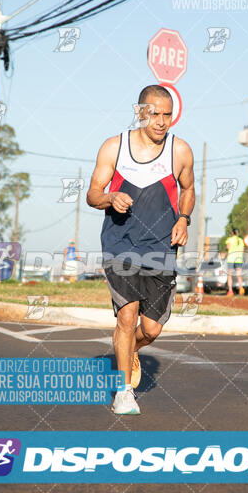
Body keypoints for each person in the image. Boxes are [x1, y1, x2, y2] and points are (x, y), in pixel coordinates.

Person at [87, 85, 195, 415]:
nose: (161, 122)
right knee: (127, 315)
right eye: (155, 114)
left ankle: (128, 349)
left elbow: (188, 190)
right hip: (120, 245)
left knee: (151, 328)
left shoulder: (180, 151)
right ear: (140, 112)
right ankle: (123, 392)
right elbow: (93, 193)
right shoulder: (114, 147)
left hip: (161, 247)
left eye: (167, 115)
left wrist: (184, 219)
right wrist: (109, 198)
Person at [225, 227, 245, 296]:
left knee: (229, 275)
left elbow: (227, 247)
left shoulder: (229, 239)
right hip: (239, 259)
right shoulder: (241, 240)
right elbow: (243, 250)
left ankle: (230, 291)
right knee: (239, 274)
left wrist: (226, 249)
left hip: (231, 259)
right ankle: (241, 289)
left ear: (232, 233)